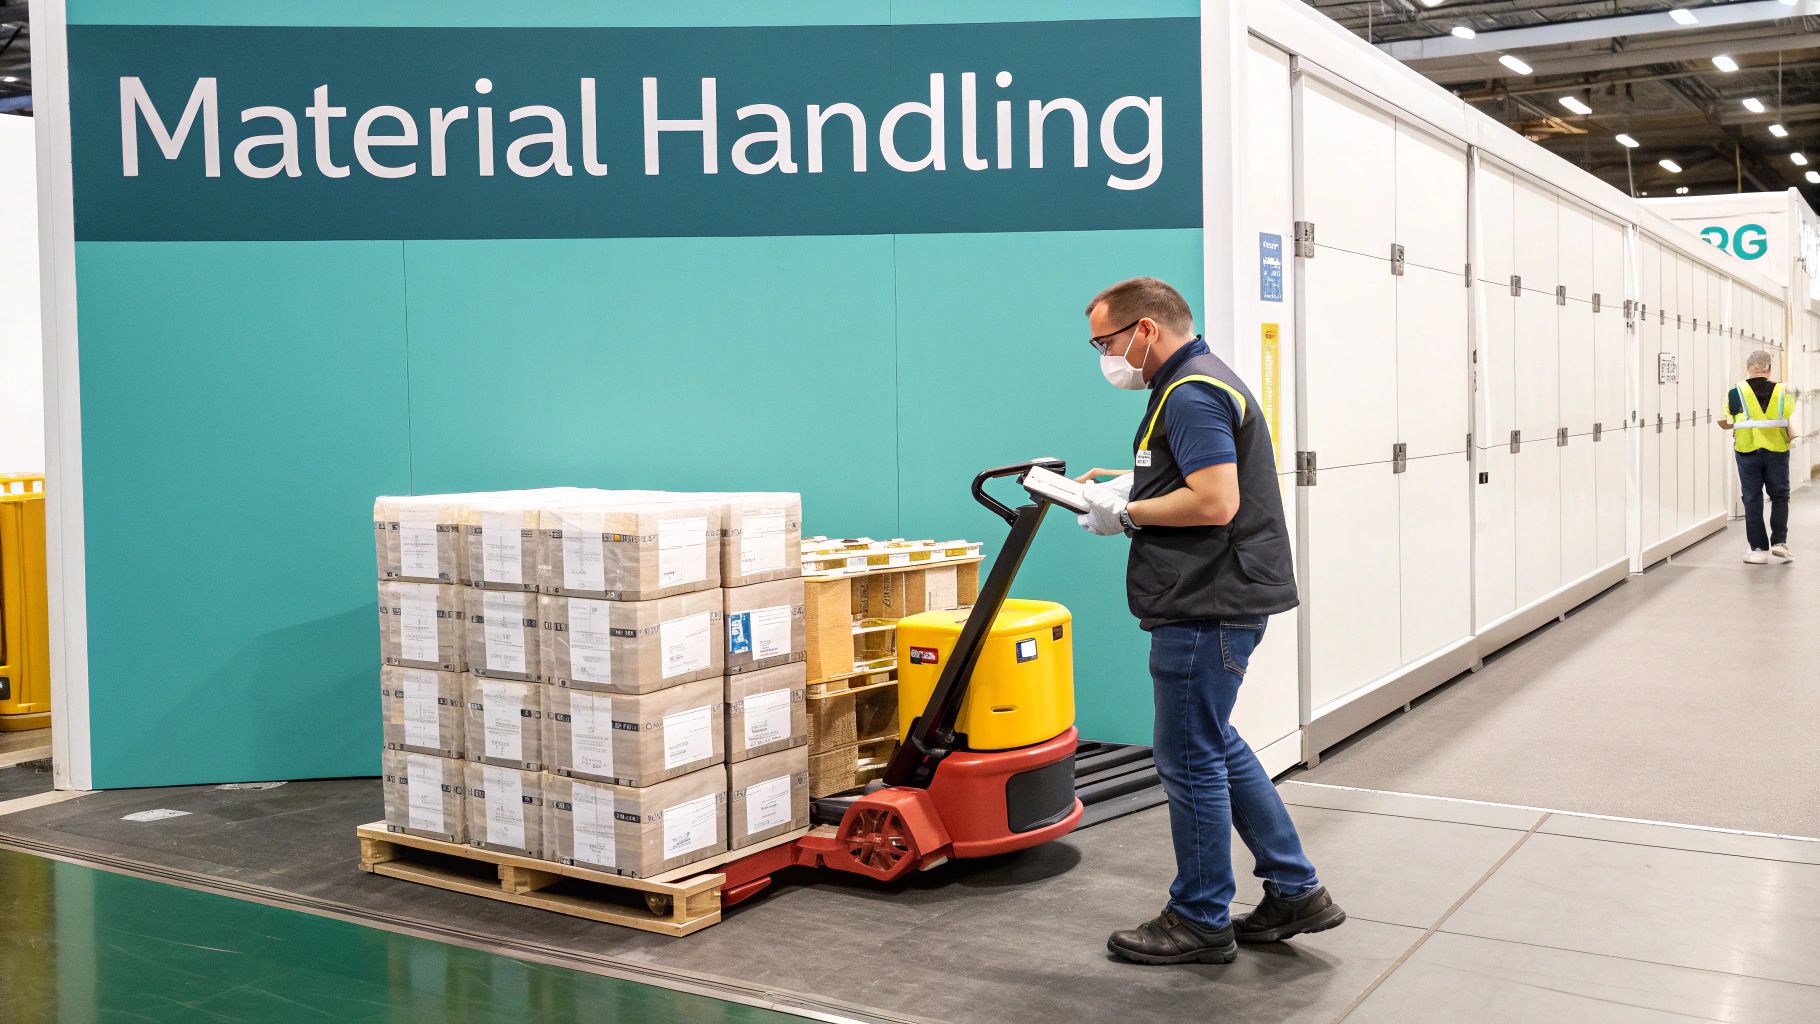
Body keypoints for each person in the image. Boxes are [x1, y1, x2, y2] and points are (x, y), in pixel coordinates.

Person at [1072, 276, 1344, 966]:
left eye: (1106, 341)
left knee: (1189, 756)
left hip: (1206, 601)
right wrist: (1136, 482)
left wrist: (1126, 512)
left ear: (1145, 331)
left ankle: (1199, 916)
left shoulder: (1189, 392)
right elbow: (1191, 476)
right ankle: (1294, 887)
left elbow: (1216, 501)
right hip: (1219, 596)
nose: (1103, 356)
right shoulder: (1195, 381)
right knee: (1212, 742)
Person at [1718, 350, 1795, 565]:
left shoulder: (1735, 393)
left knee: (1752, 498)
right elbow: (1788, 413)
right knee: (1780, 496)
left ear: (1747, 368)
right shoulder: (1782, 391)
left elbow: (1729, 419)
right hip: (1777, 450)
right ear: (1769, 369)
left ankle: (1758, 550)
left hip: (1747, 450)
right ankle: (1779, 543)